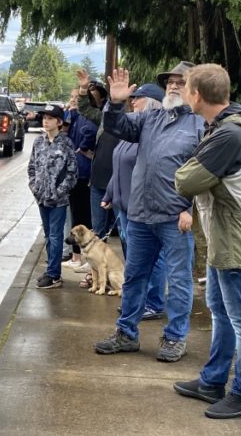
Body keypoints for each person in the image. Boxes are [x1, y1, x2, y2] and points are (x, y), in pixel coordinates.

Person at [173, 64, 241, 418]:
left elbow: (186, 181)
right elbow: (196, 175)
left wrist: (190, 169)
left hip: (240, 239)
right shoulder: (222, 129)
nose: (185, 93)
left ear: (197, 95)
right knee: (220, 309)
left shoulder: (231, 135)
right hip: (226, 237)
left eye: (186, 88)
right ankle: (213, 381)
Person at [94, 61, 203, 363]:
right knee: (135, 277)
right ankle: (127, 333)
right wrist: (115, 104)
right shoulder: (150, 117)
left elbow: (206, 171)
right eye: (170, 81)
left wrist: (190, 207)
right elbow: (118, 127)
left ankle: (175, 337)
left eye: (181, 82)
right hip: (141, 214)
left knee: (179, 280)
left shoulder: (200, 124)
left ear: (195, 89)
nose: (173, 85)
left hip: (175, 217)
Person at [100, 83, 167, 320]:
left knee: (153, 260)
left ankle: (154, 302)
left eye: (137, 98)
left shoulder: (149, 135)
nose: (133, 102)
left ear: (151, 103)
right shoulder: (132, 131)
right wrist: (109, 195)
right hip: (123, 206)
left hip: (140, 208)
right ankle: (137, 302)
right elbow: (119, 166)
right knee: (134, 260)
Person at [28, 103, 77, 289]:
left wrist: (59, 192)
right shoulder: (38, 142)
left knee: (56, 236)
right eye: (44, 118)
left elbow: (72, 172)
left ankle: (54, 274)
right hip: (41, 197)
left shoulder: (66, 143)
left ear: (59, 122)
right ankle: (51, 269)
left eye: (49, 118)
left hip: (58, 200)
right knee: (48, 236)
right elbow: (32, 167)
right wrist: (35, 186)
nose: (45, 122)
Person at [76, 72, 120, 240]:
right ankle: (95, 265)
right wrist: (83, 88)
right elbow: (85, 108)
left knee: (124, 231)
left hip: (119, 184)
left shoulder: (135, 122)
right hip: (98, 181)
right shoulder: (104, 118)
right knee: (97, 230)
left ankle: (129, 266)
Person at [62, 88, 97, 268]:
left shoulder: (87, 117)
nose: (73, 100)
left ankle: (85, 258)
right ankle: (77, 256)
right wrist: (70, 109)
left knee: (84, 217)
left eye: (77, 98)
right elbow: (65, 123)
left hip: (83, 172)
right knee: (77, 215)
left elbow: (90, 131)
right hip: (77, 171)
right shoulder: (77, 116)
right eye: (72, 96)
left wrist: (82, 147)